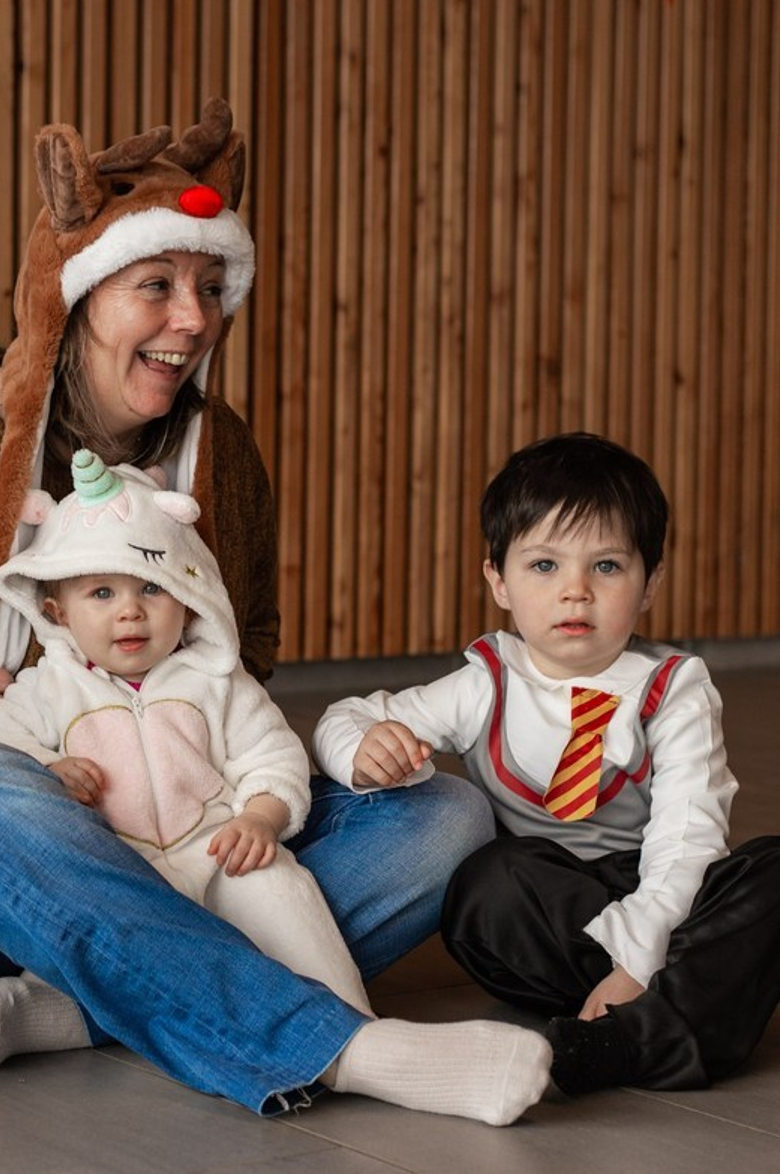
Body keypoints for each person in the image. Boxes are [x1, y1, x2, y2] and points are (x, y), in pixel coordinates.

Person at [0, 99, 548, 1125]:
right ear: (78, 294)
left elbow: (248, 641)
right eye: (157, 287)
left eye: (211, 288)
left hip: (187, 826)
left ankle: (94, 1000)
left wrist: (217, 771)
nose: (194, 319)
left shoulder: (224, 457)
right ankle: (340, 1043)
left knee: (442, 816)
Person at [313, 432, 780, 1095]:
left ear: (651, 584)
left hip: (662, 900)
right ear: (497, 580)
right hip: (545, 914)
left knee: (771, 873)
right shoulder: (487, 682)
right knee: (486, 883)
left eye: (609, 567)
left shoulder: (675, 686)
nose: (576, 593)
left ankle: (627, 1039)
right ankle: (683, 1008)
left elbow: (686, 840)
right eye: (544, 566)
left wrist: (639, 957)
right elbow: (349, 715)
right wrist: (361, 751)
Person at [0, 448, 372, 1065]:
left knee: (284, 889)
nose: (130, 610)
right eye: (101, 592)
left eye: (152, 587)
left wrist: (261, 819)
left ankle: (351, 1025)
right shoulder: (47, 689)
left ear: (189, 596)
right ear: (58, 613)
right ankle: (42, 1015)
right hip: (116, 882)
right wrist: (44, 768)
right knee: (76, 942)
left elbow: (273, 753)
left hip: (216, 859)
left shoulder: (217, 679)